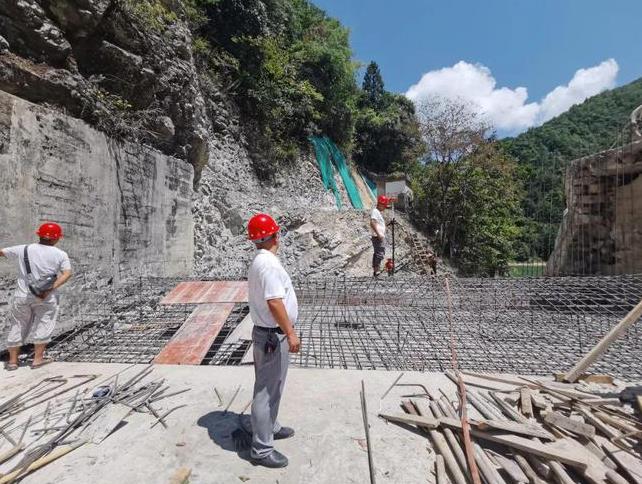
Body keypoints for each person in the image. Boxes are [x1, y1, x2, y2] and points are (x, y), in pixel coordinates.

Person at [246, 213, 300, 469]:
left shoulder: (260, 260)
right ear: (275, 236)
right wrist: (290, 333)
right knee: (266, 392)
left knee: (271, 386)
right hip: (272, 336)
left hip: (265, 334)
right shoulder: (268, 264)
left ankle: (271, 426)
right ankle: (262, 449)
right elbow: (275, 302)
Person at [1, 222, 72, 370]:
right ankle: (37, 360)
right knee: (44, 323)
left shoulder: (23, 249)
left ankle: (13, 362)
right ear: (56, 238)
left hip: (22, 295)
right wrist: (52, 287)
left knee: (18, 325)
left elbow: (1, 252)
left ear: (39, 235)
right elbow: (67, 274)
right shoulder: (60, 254)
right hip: (46, 296)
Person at [370, 195, 390, 277]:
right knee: (380, 254)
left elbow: (378, 225)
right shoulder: (375, 211)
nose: (385, 208)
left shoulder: (377, 212)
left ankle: (376, 272)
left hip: (378, 236)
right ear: (380, 204)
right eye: (384, 206)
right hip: (378, 237)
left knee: (377, 253)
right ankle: (377, 272)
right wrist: (379, 234)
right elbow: (372, 222)